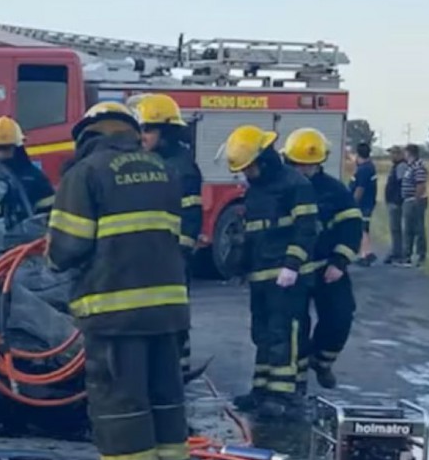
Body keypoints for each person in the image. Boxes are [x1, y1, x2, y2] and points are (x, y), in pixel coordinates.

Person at [46, 102, 189, 460]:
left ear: (88, 134)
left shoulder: (86, 173)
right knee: (163, 395)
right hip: (167, 310)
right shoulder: (163, 170)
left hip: (115, 310)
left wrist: (49, 255)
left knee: (119, 400)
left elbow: (68, 246)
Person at [219, 124, 317, 419]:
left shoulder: (296, 185)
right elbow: (250, 232)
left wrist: (292, 265)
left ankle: (283, 394)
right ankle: (261, 389)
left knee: (282, 334)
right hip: (260, 274)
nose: (245, 174)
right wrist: (241, 265)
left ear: (263, 160)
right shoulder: (256, 190)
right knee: (261, 333)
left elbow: (306, 230)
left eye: (248, 168)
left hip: (286, 277)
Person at [282, 128, 360, 390]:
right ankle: (298, 385)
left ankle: (322, 361)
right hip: (293, 271)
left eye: (311, 165)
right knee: (296, 328)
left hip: (327, 268)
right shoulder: (283, 190)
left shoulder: (335, 191)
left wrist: (340, 261)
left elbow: (351, 227)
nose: (305, 170)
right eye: (299, 165)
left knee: (340, 316)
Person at [135, 93, 202, 377]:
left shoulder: (181, 167)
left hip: (171, 255)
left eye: (148, 129)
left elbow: (190, 216)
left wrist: (179, 252)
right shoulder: (147, 160)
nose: (142, 136)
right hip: (150, 253)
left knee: (172, 316)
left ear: (166, 131)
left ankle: (177, 373)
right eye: (140, 129)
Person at [0, 116, 55, 215]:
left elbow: (48, 215)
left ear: (17, 149)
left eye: (6, 148)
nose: (1, 155)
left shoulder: (35, 179)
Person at [349, 142, 378, 265]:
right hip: (368, 202)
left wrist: (353, 203)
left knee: (363, 228)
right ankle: (366, 252)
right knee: (364, 228)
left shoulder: (363, 170)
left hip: (363, 204)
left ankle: (365, 254)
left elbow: (360, 188)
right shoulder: (369, 166)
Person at [401, 143, 429, 266]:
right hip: (408, 199)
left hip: (415, 200)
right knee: (408, 229)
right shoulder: (410, 166)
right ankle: (407, 255)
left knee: (418, 229)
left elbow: (420, 185)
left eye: (405, 152)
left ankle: (420, 255)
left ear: (410, 153)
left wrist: (416, 199)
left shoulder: (418, 166)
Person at [383, 146, 408, 264]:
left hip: (396, 202)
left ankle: (399, 253)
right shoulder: (396, 166)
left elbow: (401, 184)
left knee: (397, 229)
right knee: (394, 229)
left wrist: (397, 200)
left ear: (399, 154)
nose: (391, 156)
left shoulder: (401, 166)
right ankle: (396, 251)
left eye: (393, 153)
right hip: (393, 201)